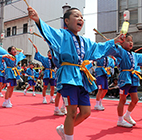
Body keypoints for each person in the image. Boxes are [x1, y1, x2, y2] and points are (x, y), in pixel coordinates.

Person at [28, 6, 124, 140]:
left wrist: (114, 41)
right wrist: (37, 20)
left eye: (82, 17)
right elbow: (49, 32)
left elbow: (99, 48)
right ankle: (68, 137)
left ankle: (64, 129)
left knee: (86, 112)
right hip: (67, 76)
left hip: (81, 77)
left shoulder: (85, 41)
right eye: (77, 16)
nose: (81, 19)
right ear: (66, 21)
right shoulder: (62, 35)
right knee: (71, 112)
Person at [111, 34, 142, 128]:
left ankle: (127, 115)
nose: (130, 43)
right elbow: (114, 47)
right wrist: (116, 42)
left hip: (133, 77)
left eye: (131, 41)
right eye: (128, 41)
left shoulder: (134, 54)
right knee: (122, 99)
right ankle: (120, 120)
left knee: (135, 99)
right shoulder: (121, 51)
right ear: (122, 43)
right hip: (125, 77)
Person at [0, 41, 26, 108]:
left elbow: (21, 53)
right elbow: (1, 51)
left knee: (12, 88)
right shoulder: (8, 56)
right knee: (9, 87)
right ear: (9, 51)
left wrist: (20, 50)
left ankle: (9, 100)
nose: (14, 50)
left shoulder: (16, 57)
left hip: (14, 73)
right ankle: (5, 101)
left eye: (15, 49)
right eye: (13, 49)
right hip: (9, 72)